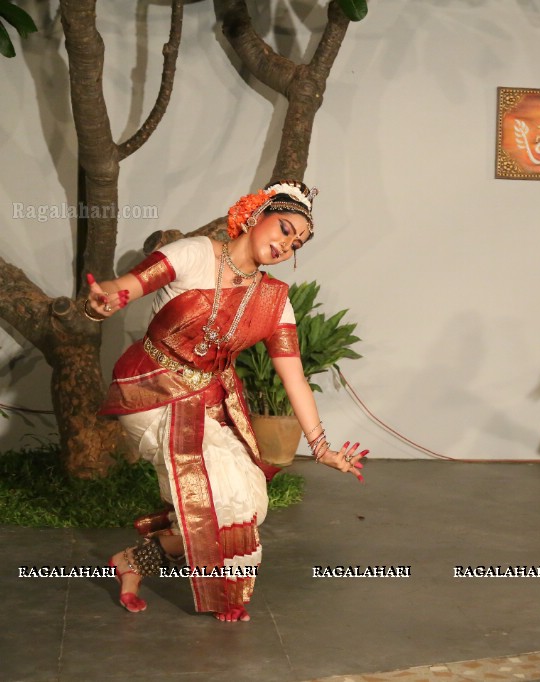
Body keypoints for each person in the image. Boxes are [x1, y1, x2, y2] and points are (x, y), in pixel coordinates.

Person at [84, 180, 367, 622]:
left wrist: (322, 446)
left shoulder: (275, 301)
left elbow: (293, 378)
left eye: (297, 242)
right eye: (284, 227)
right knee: (218, 499)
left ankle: (133, 562)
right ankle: (213, 593)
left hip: (211, 397)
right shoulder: (195, 254)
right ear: (255, 214)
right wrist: (107, 299)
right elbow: (129, 285)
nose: (286, 243)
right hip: (151, 389)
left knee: (247, 505)